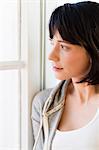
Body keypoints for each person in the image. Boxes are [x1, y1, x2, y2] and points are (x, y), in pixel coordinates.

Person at [31, 1, 99, 150]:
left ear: (93, 49)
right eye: (52, 43)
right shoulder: (44, 104)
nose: (51, 56)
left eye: (63, 46)